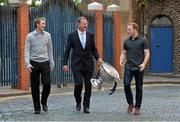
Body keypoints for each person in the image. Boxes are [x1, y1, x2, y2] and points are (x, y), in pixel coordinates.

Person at [63, 16, 102, 114]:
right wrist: (65, 63)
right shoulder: (72, 36)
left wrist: (98, 58)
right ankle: (78, 101)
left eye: (86, 23)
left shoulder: (90, 35)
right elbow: (67, 50)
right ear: (79, 24)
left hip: (88, 64)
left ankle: (86, 106)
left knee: (88, 85)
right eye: (84, 23)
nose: (86, 25)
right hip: (76, 64)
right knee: (78, 84)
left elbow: (94, 49)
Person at [24, 17, 55, 114]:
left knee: (47, 84)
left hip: (45, 62)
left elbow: (50, 49)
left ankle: (44, 101)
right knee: (35, 86)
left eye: (44, 23)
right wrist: (27, 64)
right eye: (42, 23)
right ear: (37, 24)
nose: (44, 25)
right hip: (34, 63)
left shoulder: (48, 35)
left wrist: (52, 62)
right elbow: (27, 51)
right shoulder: (29, 36)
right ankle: (37, 108)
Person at [120, 22, 150, 115]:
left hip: (139, 67)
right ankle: (130, 103)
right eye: (127, 29)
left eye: (129, 29)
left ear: (135, 29)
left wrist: (144, 64)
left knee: (139, 88)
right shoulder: (126, 41)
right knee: (126, 84)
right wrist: (121, 59)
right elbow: (124, 53)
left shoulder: (143, 40)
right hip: (128, 66)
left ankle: (137, 107)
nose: (127, 31)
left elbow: (147, 53)